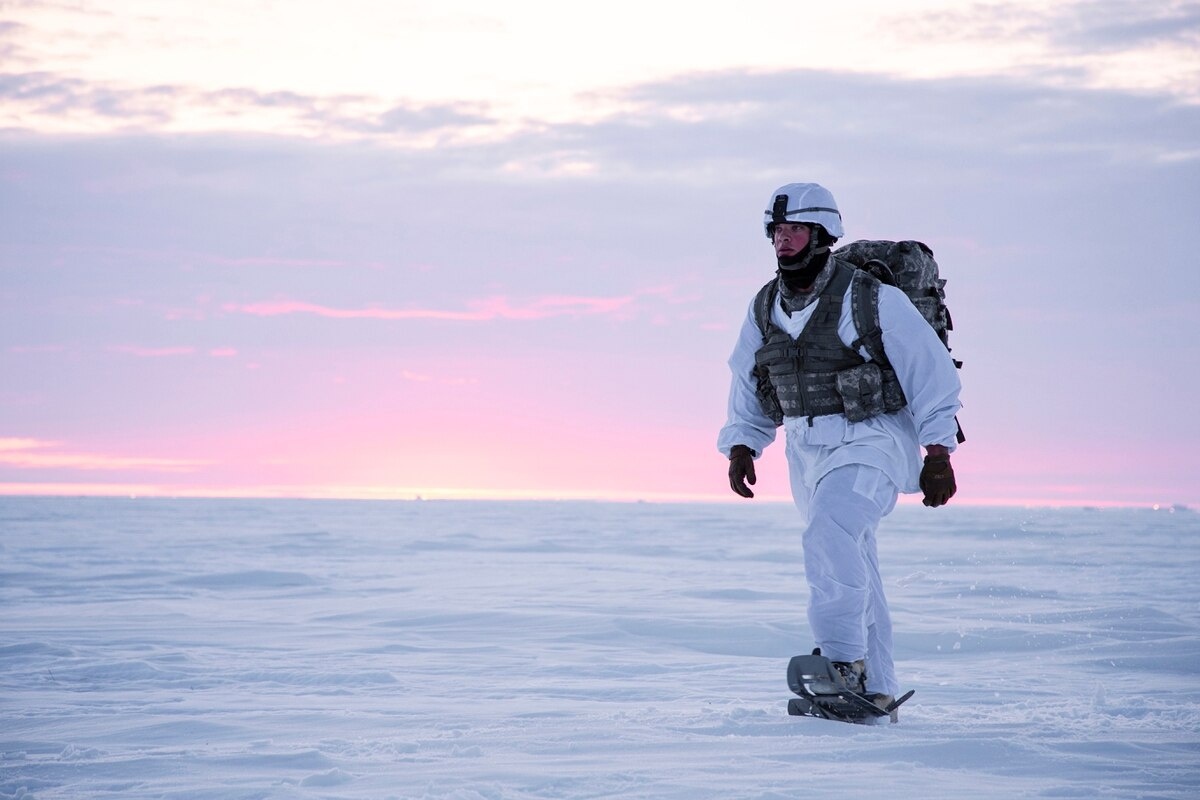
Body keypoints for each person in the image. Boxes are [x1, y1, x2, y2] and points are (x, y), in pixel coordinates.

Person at [717, 182, 962, 712]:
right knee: (852, 559)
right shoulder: (765, 305)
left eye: (795, 231)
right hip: (805, 450)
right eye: (777, 232)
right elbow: (748, 378)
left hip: (872, 438)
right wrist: (743, 443)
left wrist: (938, 452)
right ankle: (876, 684)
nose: (783, 242)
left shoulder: (870, 297)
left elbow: (930, 370)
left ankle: (842, 661)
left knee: (830, 533)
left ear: (822, 234)